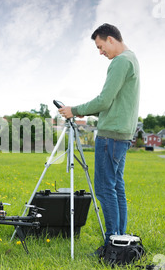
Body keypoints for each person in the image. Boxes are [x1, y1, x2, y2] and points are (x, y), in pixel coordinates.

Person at [58, 23, 140, 246]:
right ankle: (120, 240)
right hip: (122, 134)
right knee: (116, 188)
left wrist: (73, 110)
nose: (101, 52)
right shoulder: (132, 59)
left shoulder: (121, 61)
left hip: (111, 135)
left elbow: (104, 100)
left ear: (111, 39)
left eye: (101, 46)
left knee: (105, 189)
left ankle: (112, 242)